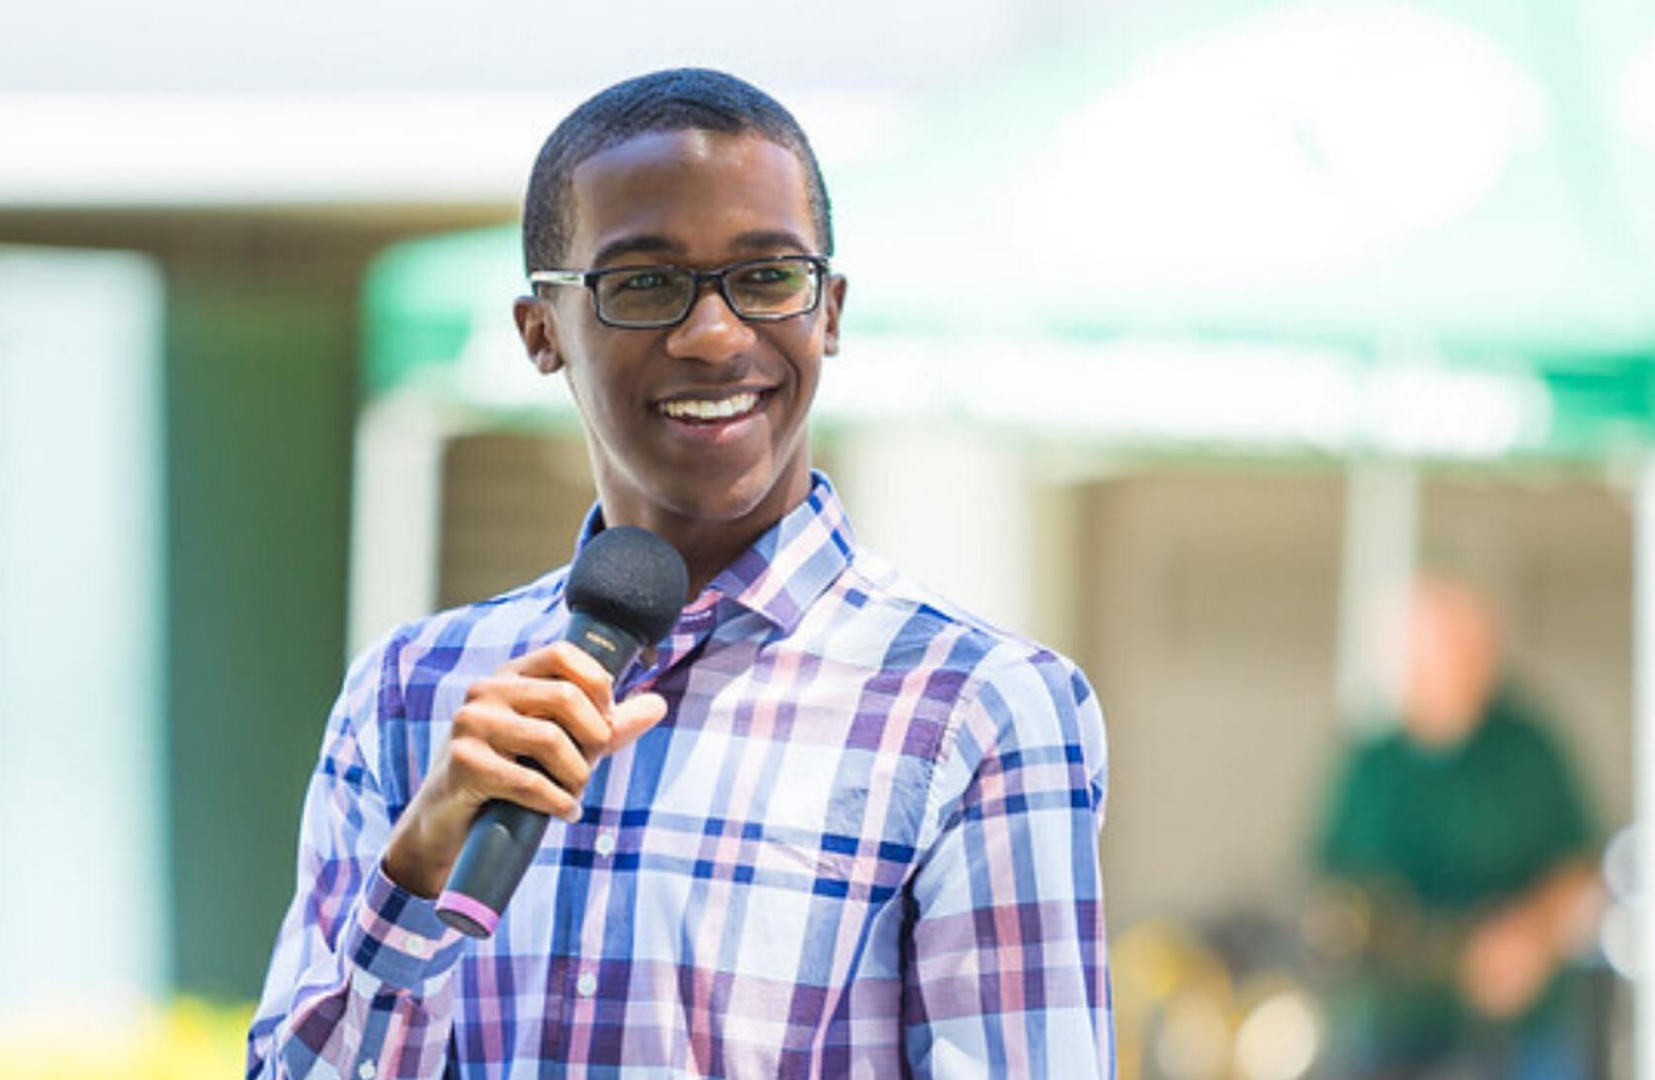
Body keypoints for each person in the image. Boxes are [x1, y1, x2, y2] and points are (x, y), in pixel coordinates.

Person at [245, 69, 1112, 1079]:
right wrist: (419, 869)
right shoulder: (407, 695)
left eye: (768, 276)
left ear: (828, 312)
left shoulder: (981, 708)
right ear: (541, 333)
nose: (714, 334)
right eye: (645, 283)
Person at [1314, 574, 1602, 1080]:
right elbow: (1330, 881)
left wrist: (1529, 938)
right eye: (1424, 651)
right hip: (1396, 1019)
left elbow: (1579, 869)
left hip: (1521, 1023)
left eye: (1456, 645)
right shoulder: (1373, 763)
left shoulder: (1528, 750)